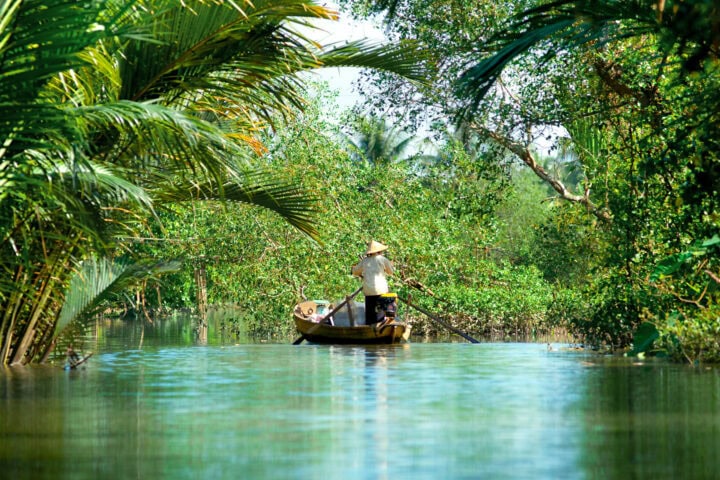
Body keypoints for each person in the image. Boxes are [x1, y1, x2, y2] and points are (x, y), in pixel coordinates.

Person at [351, 240, 395, 325]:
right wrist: (390, 266)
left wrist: (356, 270)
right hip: (381, 290)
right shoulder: (383, 259)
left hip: (368, 290)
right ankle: (379, 328)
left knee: (370, 316)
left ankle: (370, 328)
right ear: (379, 251)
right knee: (380, 315)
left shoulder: (365, 261)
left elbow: (355, 272)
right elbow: (391, 272)